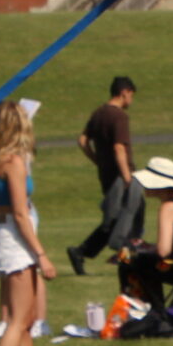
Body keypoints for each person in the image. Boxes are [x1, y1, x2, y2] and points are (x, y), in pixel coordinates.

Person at [0, 98, 54, 346]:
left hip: (5, 232)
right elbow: (21, 213)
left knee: (26, 317)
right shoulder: (11, 162)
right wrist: (41, 254)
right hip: (15, 237)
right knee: (16, 320)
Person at [67, 76, 139, 275]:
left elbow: (82, 141)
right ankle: (122, 259)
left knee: (115, 219)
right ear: (124, 92)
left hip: (106, 175)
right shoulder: (119, 116)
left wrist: (97, 160)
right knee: (124, 217)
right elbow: (119, 148)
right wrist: (127, 177)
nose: (131, 100)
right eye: (131, 95)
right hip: (119, 176)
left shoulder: (99, 113)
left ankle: (82, 252)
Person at [118, 156, 173, 310]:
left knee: (127, 259)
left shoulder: (168, 208)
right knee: (140, 258)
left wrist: (145, 248)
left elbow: (164, 251)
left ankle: (147, 310)